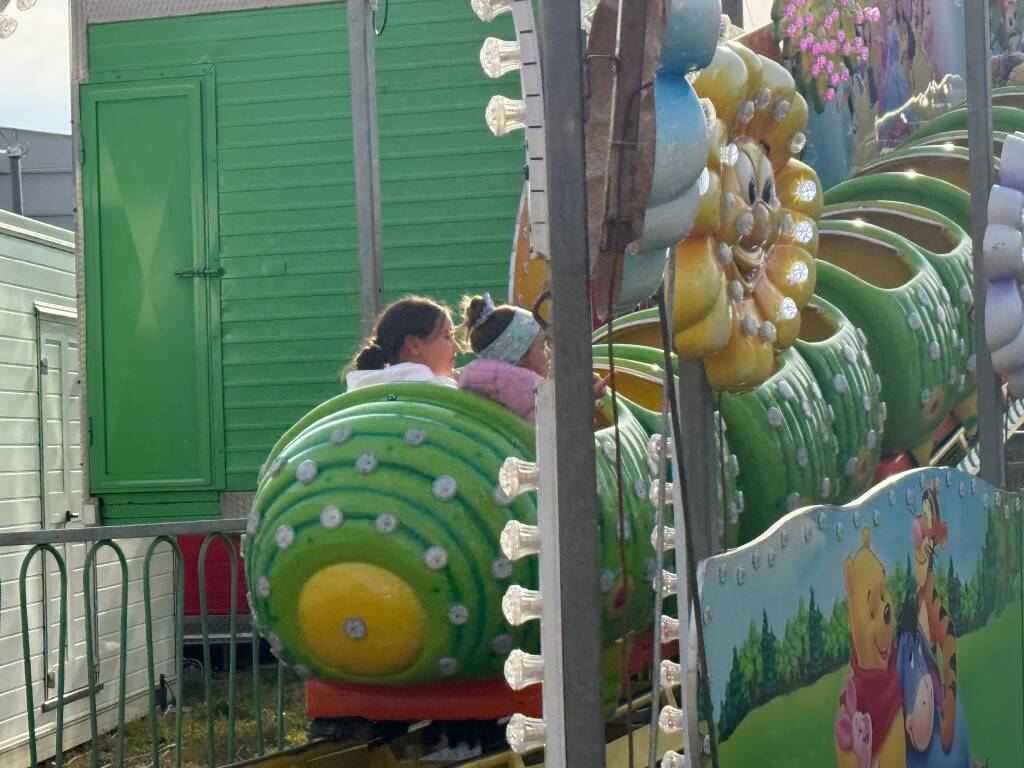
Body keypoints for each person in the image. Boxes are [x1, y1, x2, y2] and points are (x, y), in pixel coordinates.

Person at [457, 294, 610, 422]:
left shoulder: (502, 395)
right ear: (519, 359)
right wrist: (584, 401)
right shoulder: (529, 396)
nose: (549, 353)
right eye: (542, 346)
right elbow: (561, 435)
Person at [345, 296, 460, 390]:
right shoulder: (440, 392)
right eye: (448, 337)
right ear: (414, 345)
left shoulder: (360, 390)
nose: (457, 347)